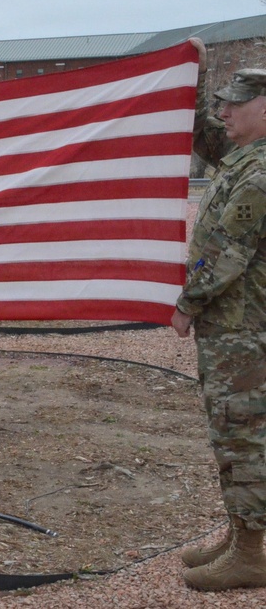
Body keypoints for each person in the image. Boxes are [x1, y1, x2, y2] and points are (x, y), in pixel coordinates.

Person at [171, 38, 266, 591]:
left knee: (244, 437)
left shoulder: (258, 173)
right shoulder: (245, 156)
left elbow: (225, 254)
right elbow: (203, 134)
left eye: (236, 103)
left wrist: (188, 301)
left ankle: (252, 552)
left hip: (244, 332)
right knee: (233, 434)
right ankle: (241, 533)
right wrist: (197, 78)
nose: (224, 112)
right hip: (234, 330)